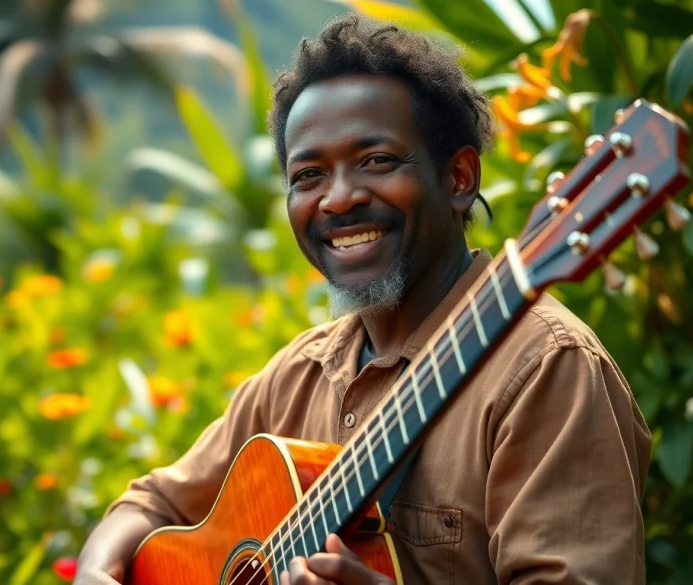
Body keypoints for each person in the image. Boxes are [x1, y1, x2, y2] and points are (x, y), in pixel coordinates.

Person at [74, 13, 651, 585]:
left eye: (376, 161)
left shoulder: (547, 367)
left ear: (458, 179)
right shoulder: (300, 373)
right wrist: (97, 569)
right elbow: (151, 504)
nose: (339, 199)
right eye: (309, 176)